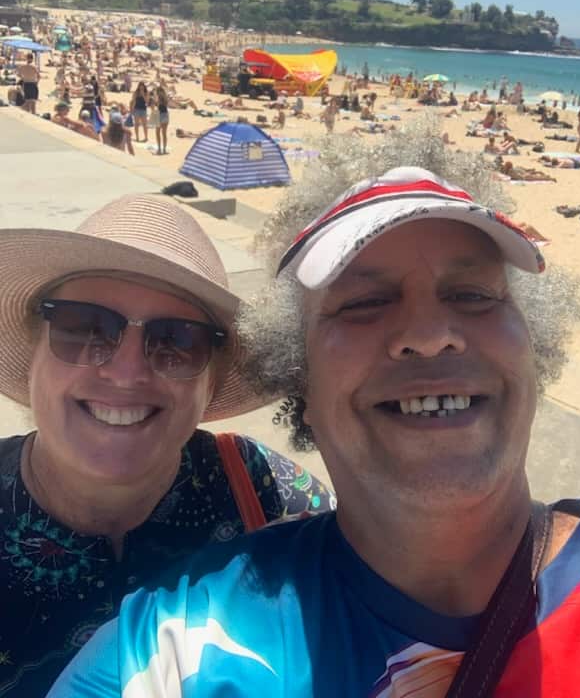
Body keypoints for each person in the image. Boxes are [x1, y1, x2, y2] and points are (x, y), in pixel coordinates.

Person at [49, 143, 580, 697]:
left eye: (474, 295)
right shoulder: (175, 651)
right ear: (299, 379)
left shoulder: (261, 490)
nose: (431, 336)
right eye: (363, 303)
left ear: (534, 347)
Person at [0, 193, 334, 696]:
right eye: (85, 328)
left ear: (212, 384)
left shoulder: (269, 497)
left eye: (177, 341)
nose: (126, 371)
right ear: (33, 355)